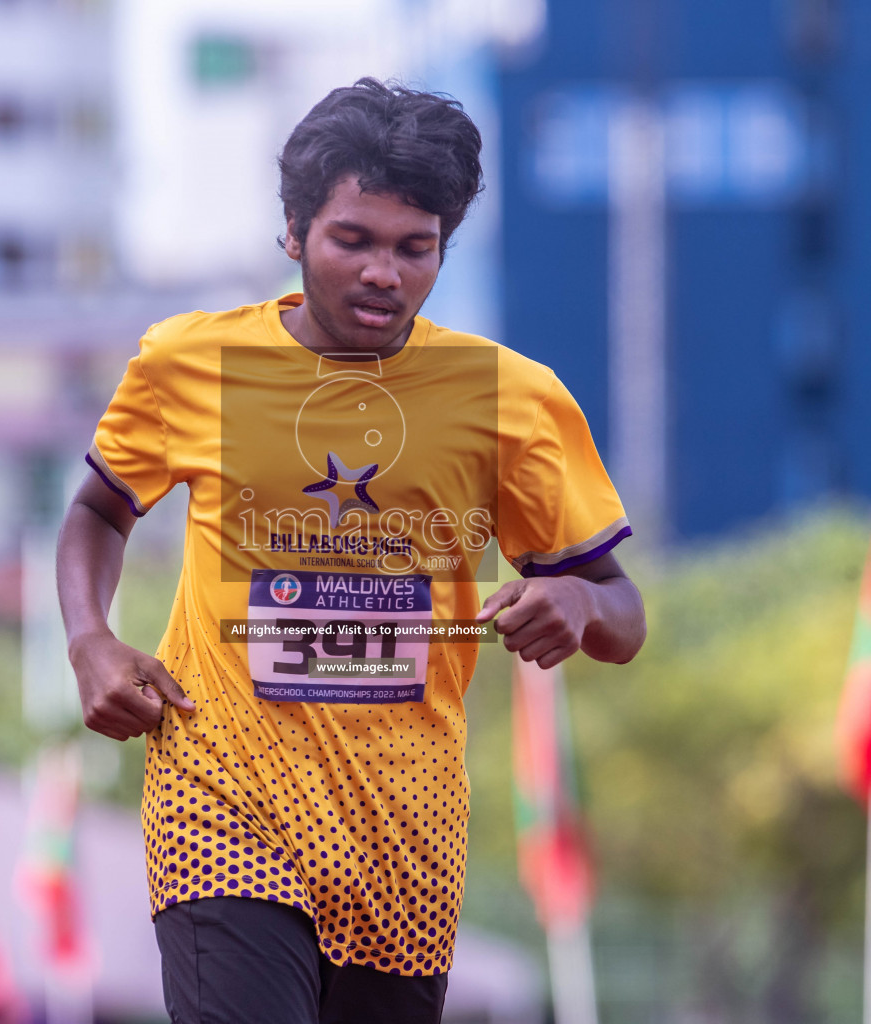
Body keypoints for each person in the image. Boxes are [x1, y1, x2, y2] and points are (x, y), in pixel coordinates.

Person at [57, 78, 646, 1024]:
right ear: (293, 232)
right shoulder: (190, 363)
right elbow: (97, 510)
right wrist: (92, 638)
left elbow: (623, 613)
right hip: (221, 798)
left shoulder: (512, 399)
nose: (386, 274)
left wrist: (578, 605)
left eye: (417, 249)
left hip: (405, 830)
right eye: (354, 240)